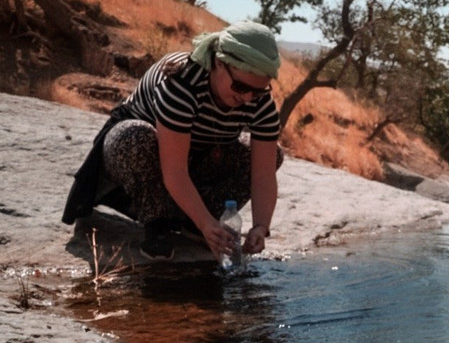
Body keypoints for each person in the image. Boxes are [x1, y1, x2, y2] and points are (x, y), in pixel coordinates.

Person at [62, 21, 284, 262]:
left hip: (193, 162)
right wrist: (207, 223)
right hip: (134, 172)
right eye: (240, 86)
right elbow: (174, 170)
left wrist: (261, 226)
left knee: (275, 155)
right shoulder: (181, 81)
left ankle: (193, 223)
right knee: (135, 136)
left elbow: (263, 174)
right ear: (219, 63)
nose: (248, 97)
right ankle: (158, 225)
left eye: (258, 91)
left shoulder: (259, 102)